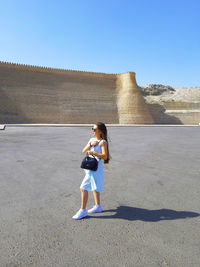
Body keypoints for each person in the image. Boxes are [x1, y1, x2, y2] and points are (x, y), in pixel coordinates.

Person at [72, 122, 110, 220]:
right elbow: (83, 151)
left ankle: (83, 210)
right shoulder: (92, 140)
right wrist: (90, 144)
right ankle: (98, 206)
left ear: (100, 131)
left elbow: (105, 156)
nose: (92, 131)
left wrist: (94, 152)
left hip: (96, 168)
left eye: (94, 129)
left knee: (83, 188)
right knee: (94, 187)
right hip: (89, 167)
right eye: (92, 129)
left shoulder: (103, 142)